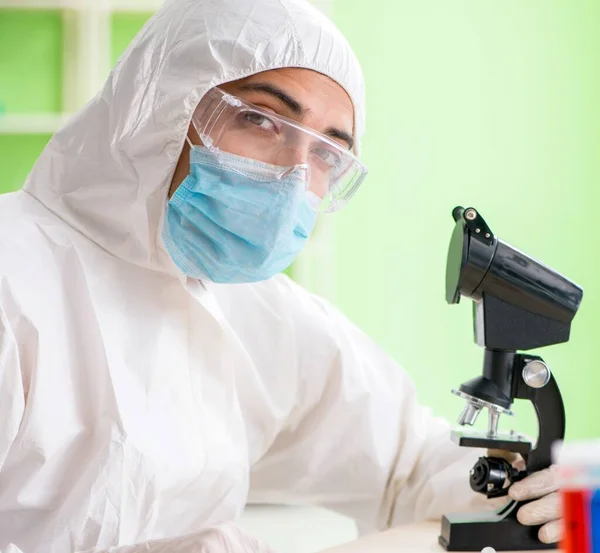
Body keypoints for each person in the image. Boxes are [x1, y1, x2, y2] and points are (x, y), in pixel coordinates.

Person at [0, 0, 560, 551]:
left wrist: (537, 492)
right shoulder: (15, 279)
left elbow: (408, 463)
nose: (295, 177)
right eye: (259, 120)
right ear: (158, 106)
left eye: (327, 154)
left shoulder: (256, 311)